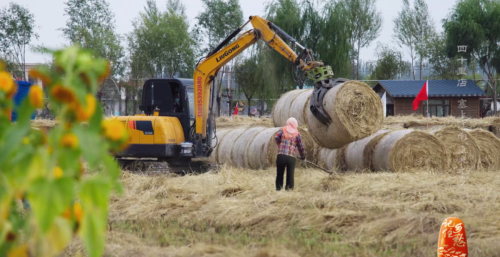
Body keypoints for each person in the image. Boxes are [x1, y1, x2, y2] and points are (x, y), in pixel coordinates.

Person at [274, 117, 306, 191]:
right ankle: (289, 188)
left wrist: (280, 145)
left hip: (281, 155)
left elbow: (276, 137)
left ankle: (279, 188)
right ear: (295, 124)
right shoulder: (297, 133)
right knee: (290, 174)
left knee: (279, 173)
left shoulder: (283, 129)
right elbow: (300, 147)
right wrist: (303, 157)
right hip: (291, 157)